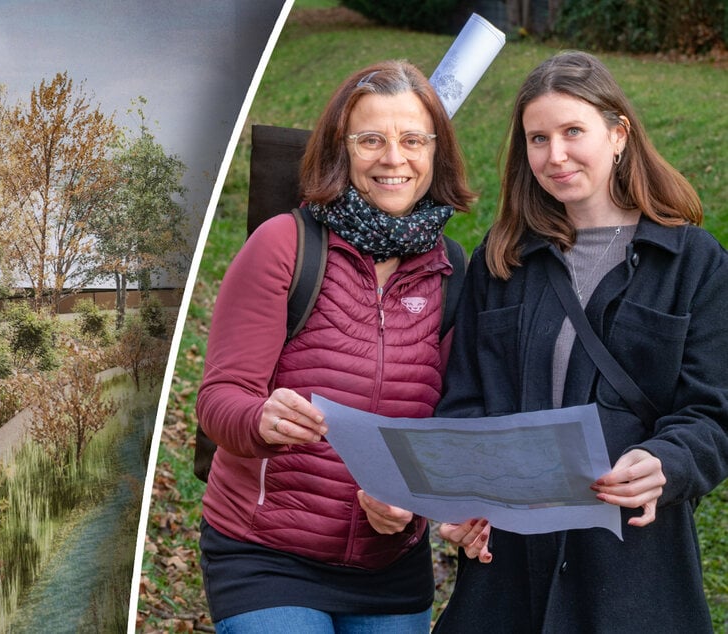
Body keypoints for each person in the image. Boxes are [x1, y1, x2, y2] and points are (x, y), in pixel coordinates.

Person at [432, 51, 728, 633]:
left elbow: (713, 413)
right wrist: (463, 496)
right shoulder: (503, 259)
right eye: (537, 139)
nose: (555, 155)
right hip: (507, 572)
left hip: (632, 572)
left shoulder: (693, 262)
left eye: (573, 131)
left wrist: (667, 460)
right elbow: (464, 401)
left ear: (618, 134)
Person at [195, 59, 475, 633]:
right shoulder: (285, 245)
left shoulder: (454, 269)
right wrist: (259, 417)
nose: (393, 158)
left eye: (412, 140)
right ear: (340, 149)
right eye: (370, 139)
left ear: (434, 153)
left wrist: (414, 503)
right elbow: (219, 398)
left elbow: (450, 422)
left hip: (389, 563)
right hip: (266, 553)